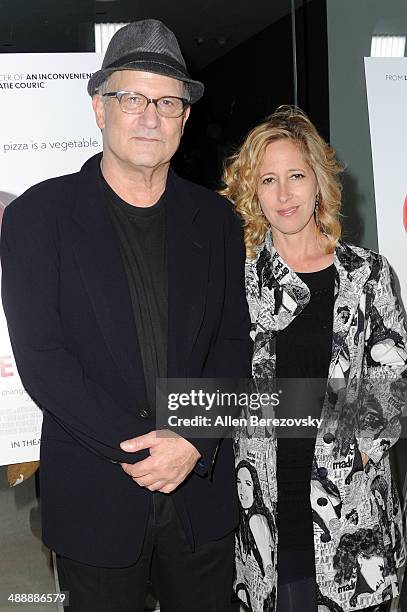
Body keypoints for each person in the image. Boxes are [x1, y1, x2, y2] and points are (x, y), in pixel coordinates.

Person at [0, 19, 252, 612]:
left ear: (185, 118)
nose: (149, 116)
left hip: (199, 489)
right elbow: (44, 361)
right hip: (94, 494)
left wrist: (190, 439)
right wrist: (145, 450)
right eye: (131, 98)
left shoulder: (215, 221)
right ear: (99, 107)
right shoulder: (39, 217)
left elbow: (232, 341)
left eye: (166, 102)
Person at [221, 106, 406, 612]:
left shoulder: (367, 274)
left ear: (319, 182)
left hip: (351, 510)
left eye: (296, 176)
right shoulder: (236, 281)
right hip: (264, 509)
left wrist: (356, 453)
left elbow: (393, 381)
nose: (284, 195)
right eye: (268, 180)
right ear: (252, 192)